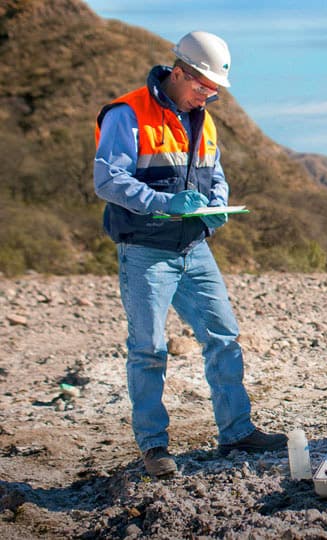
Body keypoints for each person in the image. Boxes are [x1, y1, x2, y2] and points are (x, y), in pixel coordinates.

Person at [93, 31, 287, 477]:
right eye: (202, 86)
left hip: (195, 248)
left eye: (214, 89)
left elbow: (214, 173)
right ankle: (154, 448)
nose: (209, 95)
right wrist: (165, 204)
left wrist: (217, 204)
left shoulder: (205, 118)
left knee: (223, 337)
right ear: (178, 72)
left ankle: (237, 432)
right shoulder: (128, 114)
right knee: (149, 349)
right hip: (145, 251)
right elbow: (107, 180)